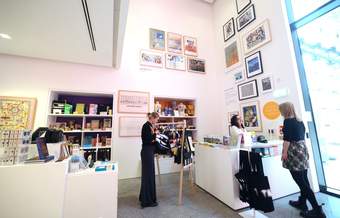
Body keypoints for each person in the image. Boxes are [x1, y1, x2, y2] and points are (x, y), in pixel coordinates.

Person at [279, 102, 326, 218]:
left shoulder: (287, 121)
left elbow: (287, 140)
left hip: (293, 152)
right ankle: (302, 202)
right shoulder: (299, 120)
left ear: (285, 110)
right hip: (302, 151)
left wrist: (284, 153)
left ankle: (317, 210)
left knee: (301, 182)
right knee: (304, 179)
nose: (280, 112)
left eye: (281, 110)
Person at [139, 112, 159, 208]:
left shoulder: (150, 126)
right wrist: (155, 135)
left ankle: (145, 197)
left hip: (149, 152)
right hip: (147, 152)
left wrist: (154, 135)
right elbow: (147, 140)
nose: (157, 121)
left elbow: (151, 140)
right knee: (148, 177)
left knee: (148, 176)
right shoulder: (146, 126)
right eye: (157, 119)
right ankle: (147, 201)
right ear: (153, 118)